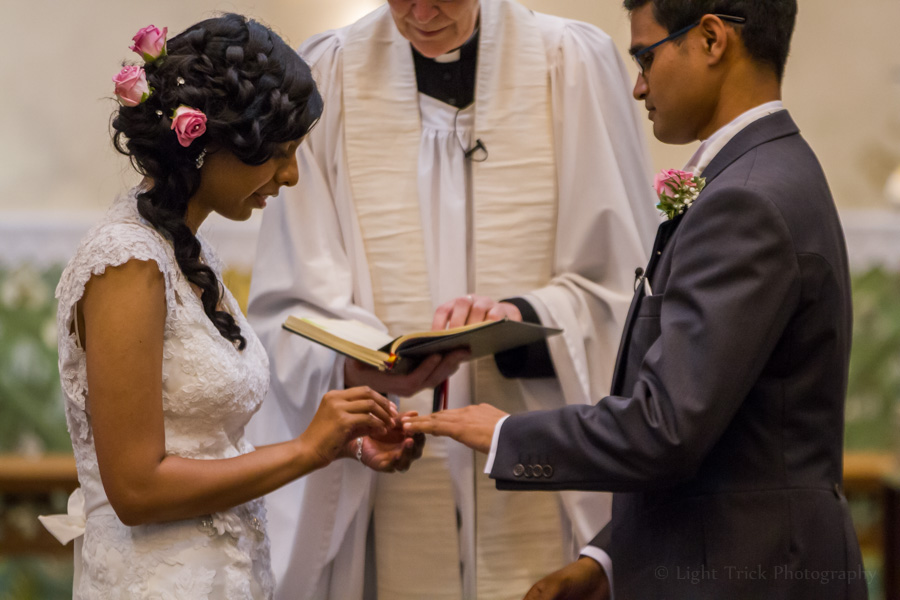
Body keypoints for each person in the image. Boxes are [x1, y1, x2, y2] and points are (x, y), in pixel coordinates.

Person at [404, 0, 869, 598]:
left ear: (710, 40)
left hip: (752, 572)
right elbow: (731, 435)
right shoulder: (766, 170)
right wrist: (607, 558)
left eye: (646, 55)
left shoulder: (746, 198)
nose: (638, 84)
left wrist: (505, 435)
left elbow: (668, 427)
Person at [244, 0, 659, 597]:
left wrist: (524, 319)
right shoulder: (329, 74)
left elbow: (628, 294)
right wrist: (357, 363)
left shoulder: (570, 63)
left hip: (536, 458)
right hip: (392, 474)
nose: (420, 11)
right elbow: (288, 308)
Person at [42, 14, 422, 599]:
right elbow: (137, 490)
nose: (291, 176)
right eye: (280, 152)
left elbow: (209, 438)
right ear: (210, 145)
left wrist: (340, 443)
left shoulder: (186, 252)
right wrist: (303, 451)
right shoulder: (125, 263)